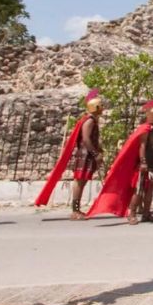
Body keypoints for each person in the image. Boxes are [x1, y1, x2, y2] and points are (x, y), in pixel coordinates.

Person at [87, 100, 153, 224]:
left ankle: (146, 213)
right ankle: (132, 213)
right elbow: (142, 147)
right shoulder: (145, 129)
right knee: (139, 190)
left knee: (150, 190)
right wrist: (143, 162)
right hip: (143, 163)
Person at [34, 89, 104, 219]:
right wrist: (95, 154)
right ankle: (75, 211)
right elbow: (86, 139)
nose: (103, 108)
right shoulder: (89, 121)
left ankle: (77, 210)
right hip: (85, 154)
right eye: (101, 106)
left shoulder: (91, 120)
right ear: (96, 107)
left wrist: (98, 149)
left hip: (88, 154)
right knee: (79, 180)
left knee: (82, 181)